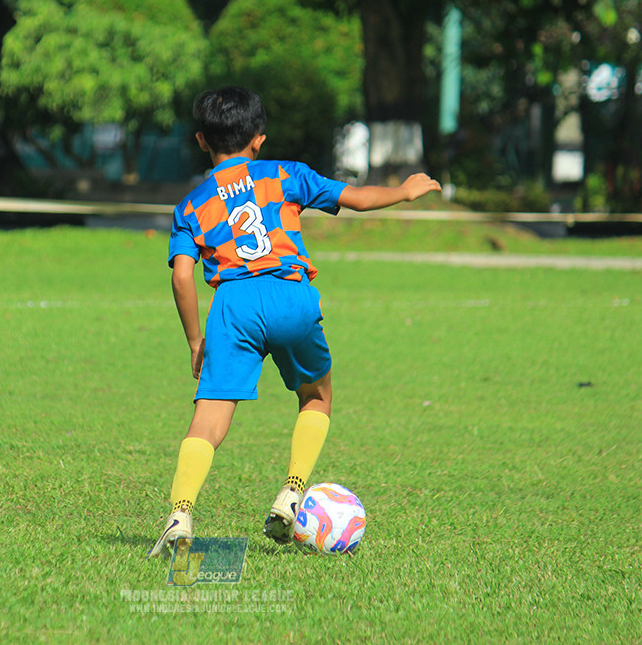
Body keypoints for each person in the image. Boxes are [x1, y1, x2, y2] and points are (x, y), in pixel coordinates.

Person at [149, 87, 441, 557]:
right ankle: (291, 491)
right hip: (292, 296)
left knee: (207, 422)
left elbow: (183, 275)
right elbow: (356, 199)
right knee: (317, 396)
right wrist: (405, 191)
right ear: (259, 139)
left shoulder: (190, 205)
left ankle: (180, 514)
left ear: (202, 140)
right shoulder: (286, 174)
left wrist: (194, 340)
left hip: (233, 306)